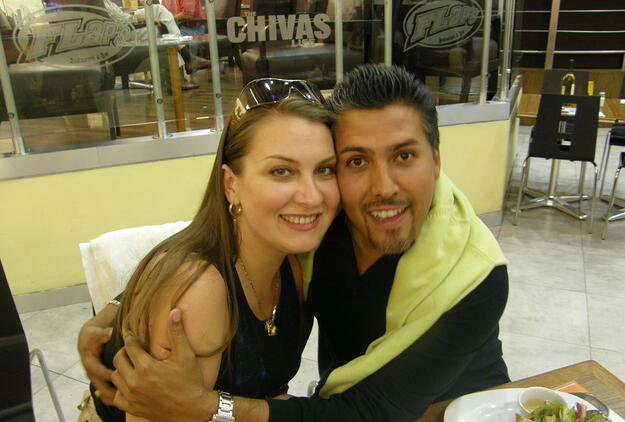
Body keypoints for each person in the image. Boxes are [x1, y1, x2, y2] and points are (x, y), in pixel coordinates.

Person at [79, 65, 510, 422]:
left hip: (459, 406)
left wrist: (211, 408)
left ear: (436, 161)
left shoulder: (477, 276)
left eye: (404, 156)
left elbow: (372, 412)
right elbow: (209, 248)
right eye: (356, 161)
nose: (383, 188)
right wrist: (121, 307)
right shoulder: (322, 222)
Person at [80, 78, 340, 422]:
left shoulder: (295, 262)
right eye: (281, 171)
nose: (312, 196)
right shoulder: (200, 289)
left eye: (324, 170)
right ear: (231, 185)